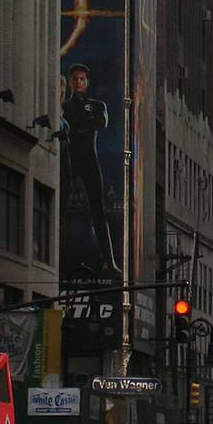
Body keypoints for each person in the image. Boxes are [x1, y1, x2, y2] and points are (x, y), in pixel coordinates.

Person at [60, 64, 118, 272]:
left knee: (98, 210)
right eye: (75, 79)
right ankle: (54, 253)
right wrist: (84, 123)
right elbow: (71, 120)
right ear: (70, 81)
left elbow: (101, 123)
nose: (78, 82)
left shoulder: (97, 104)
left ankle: (110, 261)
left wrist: (79, 123)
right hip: (69, 159)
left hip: (90, 160)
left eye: (82, 79)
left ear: (87, 82)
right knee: (60, 204)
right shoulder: (65, 106)